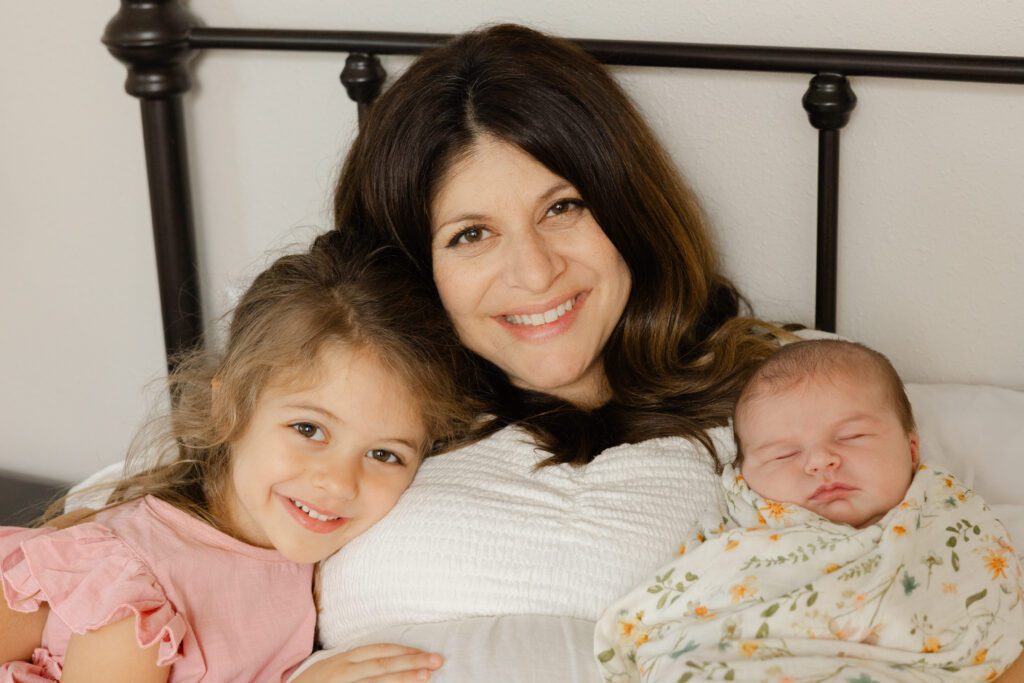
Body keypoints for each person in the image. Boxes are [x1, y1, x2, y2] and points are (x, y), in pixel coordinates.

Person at [291, 22, 792, 682]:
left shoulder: (793, 401)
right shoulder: (324, 416)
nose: (534, 272)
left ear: (629, 209)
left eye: (563, 208)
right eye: (471, 234)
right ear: (411, 271)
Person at [0, 232, 479, 682]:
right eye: (308, 429)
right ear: (229, 405)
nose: (338, 481)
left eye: (383, 454)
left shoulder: (310, 564)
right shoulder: (135, 586)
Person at [595, 340, 1024, 682]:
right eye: (784, 454)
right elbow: (686, 617)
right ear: (745, 477)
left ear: (912, 450)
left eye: (852, 437)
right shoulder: (737, 539)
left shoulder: (951, 521)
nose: (820, 461)